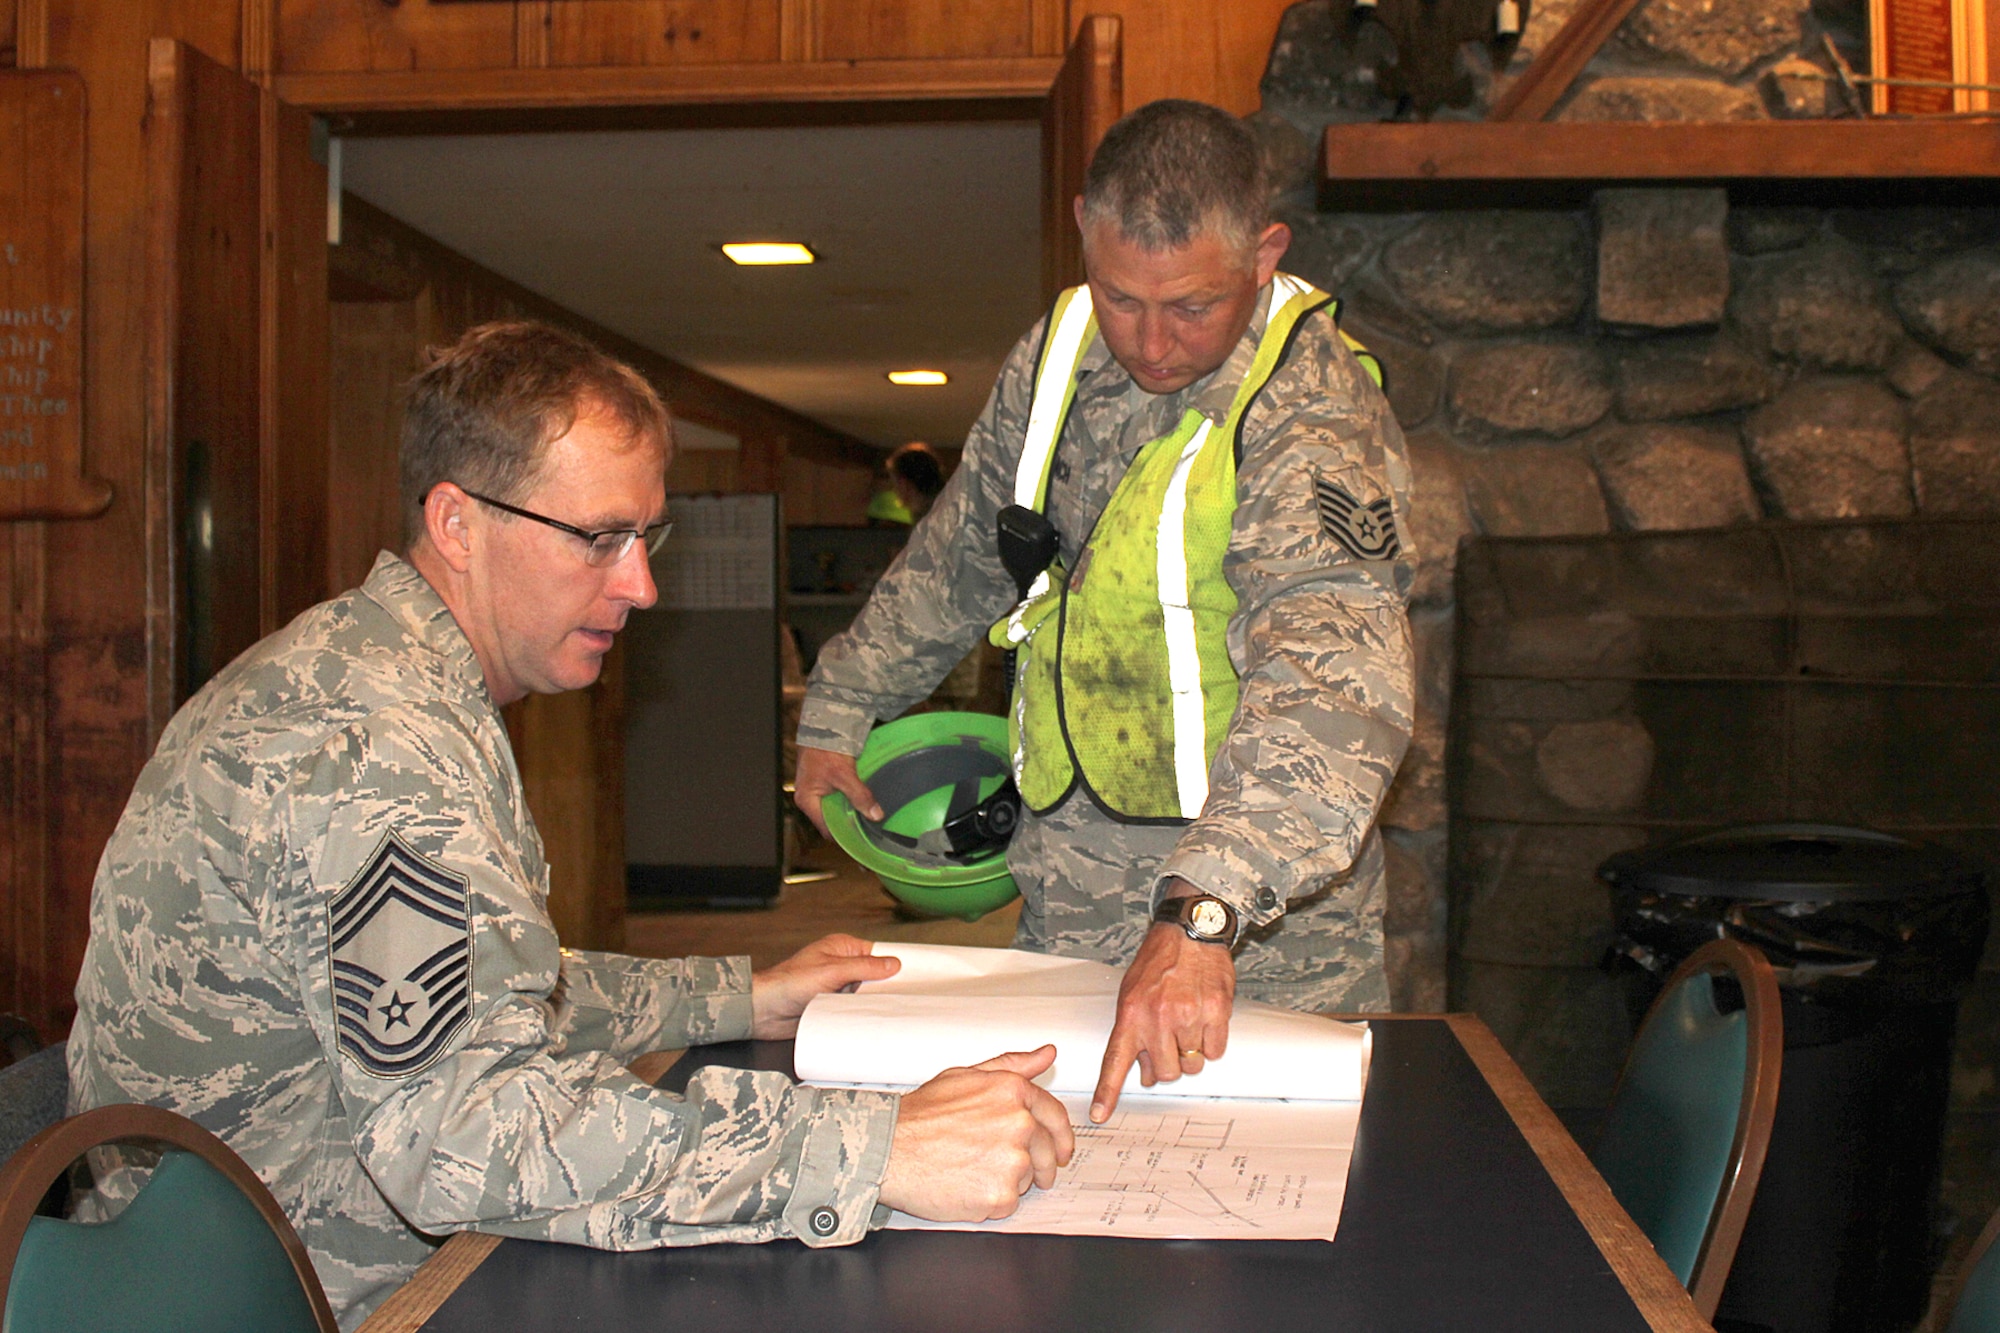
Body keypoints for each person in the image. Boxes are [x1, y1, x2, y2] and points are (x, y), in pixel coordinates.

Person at [67, 321, 1073, 1330]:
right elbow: (459, 1134)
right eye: (598, 538)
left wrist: (737, 994)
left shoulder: (384, 676)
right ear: (456, 523)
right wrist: (876, 1147)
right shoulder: (374, 747)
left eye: (647, 538)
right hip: (292, 1295)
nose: (639, 585)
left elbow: (473, 989)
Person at [793, 100, 1415, 1125]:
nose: (1154, 342)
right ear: (1081, 226)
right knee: (1079, 1179)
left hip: (1264, 921)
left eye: (1193, 306)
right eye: (1122, 298)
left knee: (1272, 1200)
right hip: (1071, 888)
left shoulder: (1311, 406)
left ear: (1264, 256)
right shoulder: (1054, 358)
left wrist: (1203, 909)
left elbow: (1332, 677)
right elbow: (958, 555)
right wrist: (838, 711)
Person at [865, 441, 947, 525]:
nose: (895, 492)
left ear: (904, 484)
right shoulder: (947, 511)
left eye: (895, 485)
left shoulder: (928, 525)